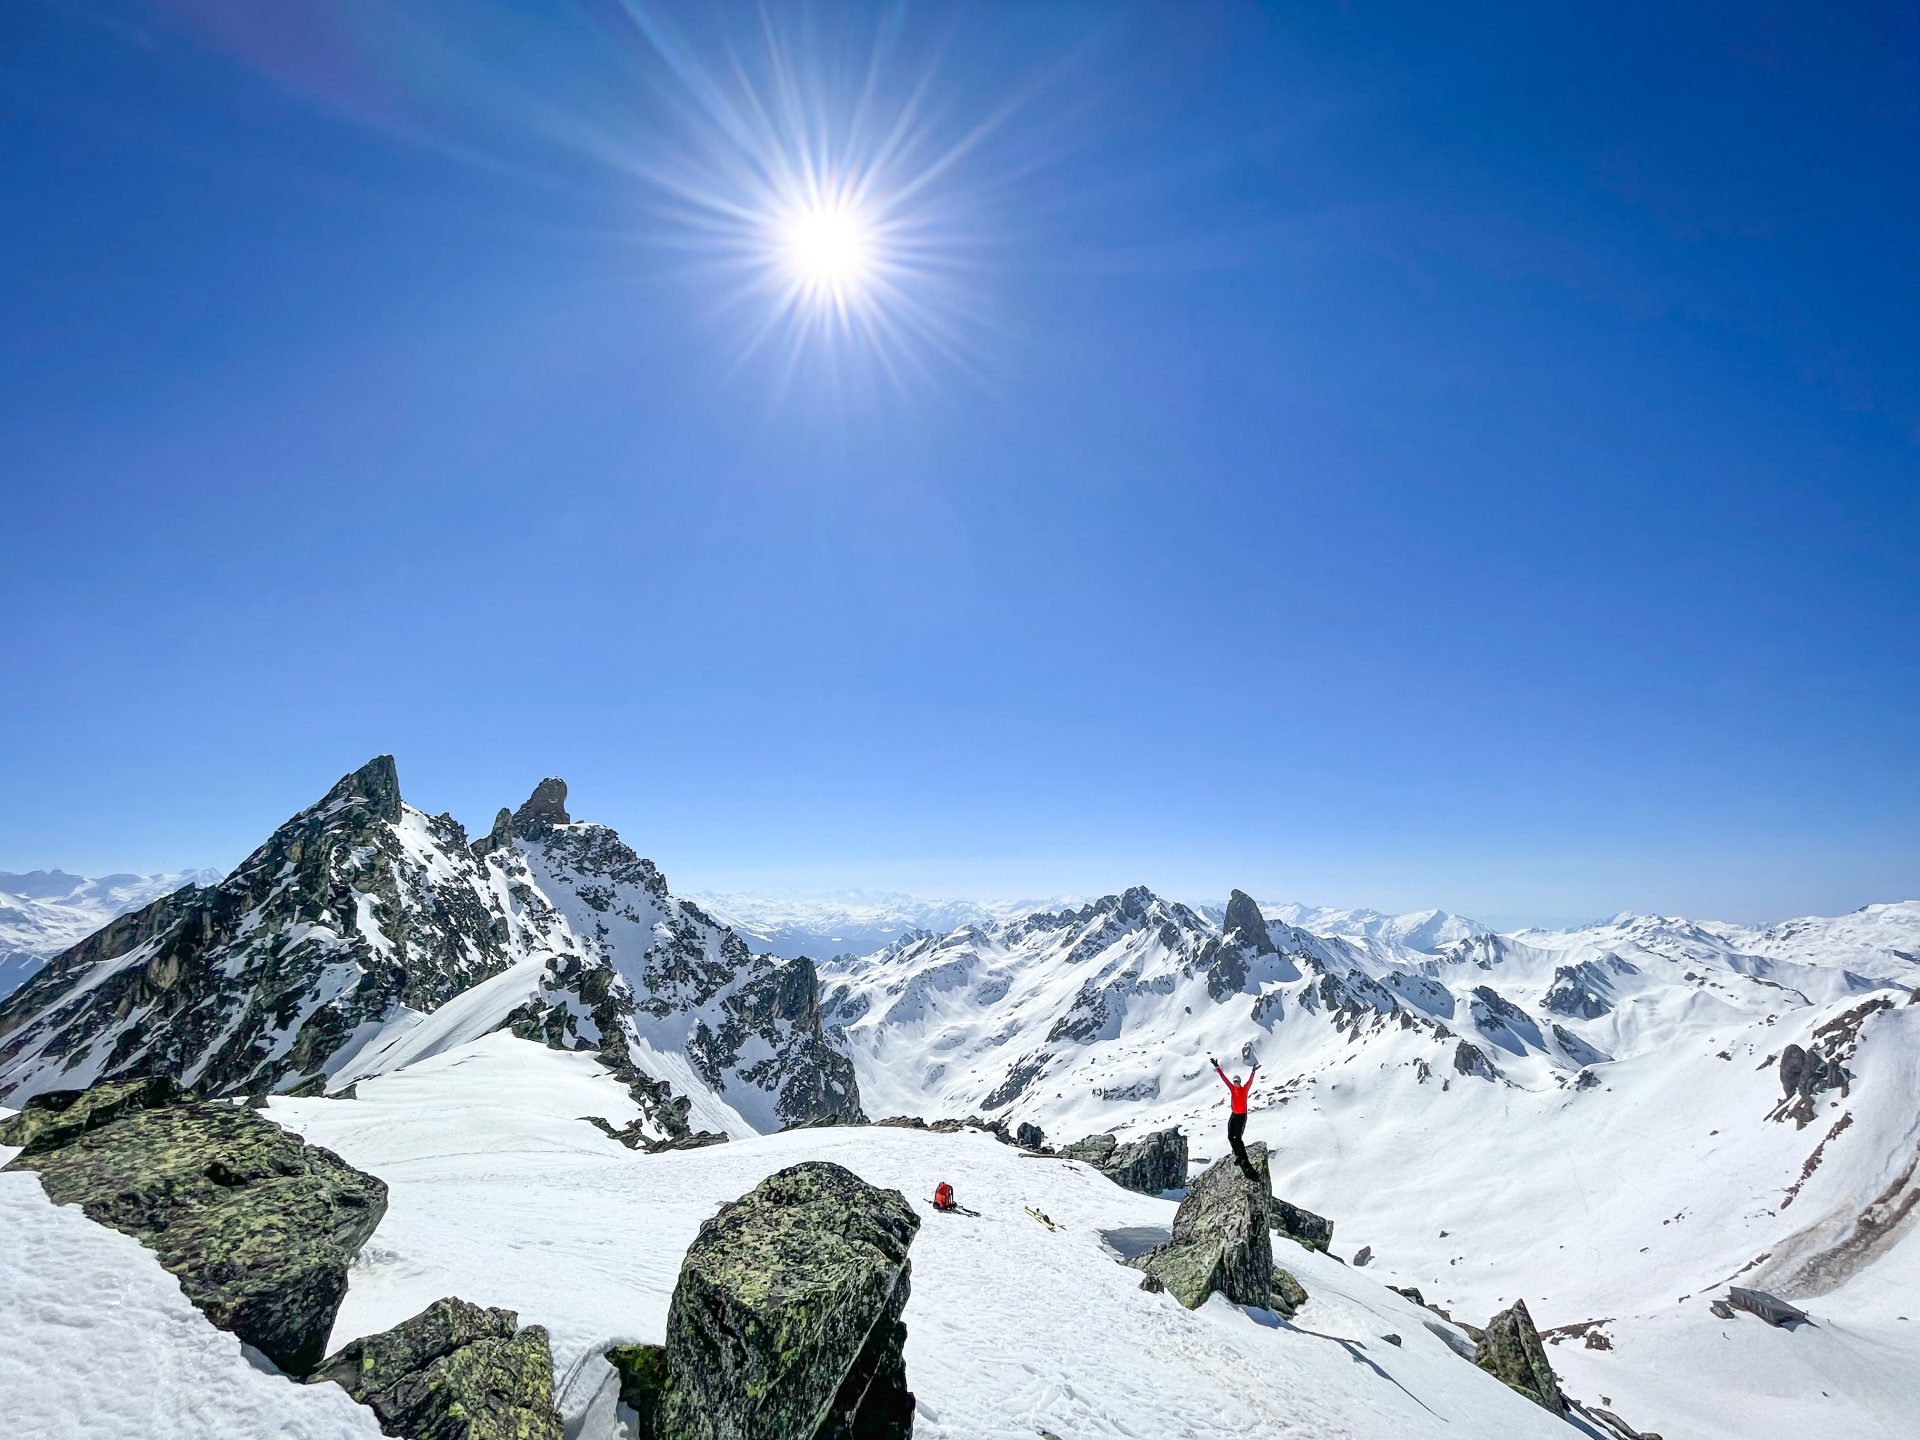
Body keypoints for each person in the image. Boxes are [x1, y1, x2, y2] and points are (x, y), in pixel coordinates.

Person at [1209, 1055, 1258, 1170]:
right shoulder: (1232, 1088)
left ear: (1240, 1082)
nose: (1235, 1082)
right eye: (1234, 1081)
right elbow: (1224, 1078)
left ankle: (1242, 1157)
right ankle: (1238, 1155)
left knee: (1238, 1137)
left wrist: (1253, 1072)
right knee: (1231, 1136)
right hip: (1234, 1115)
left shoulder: (1244, 1089)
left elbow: (1250, 1082)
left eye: (1237, 1081)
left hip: (1241, 1116)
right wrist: (1217, 1067)